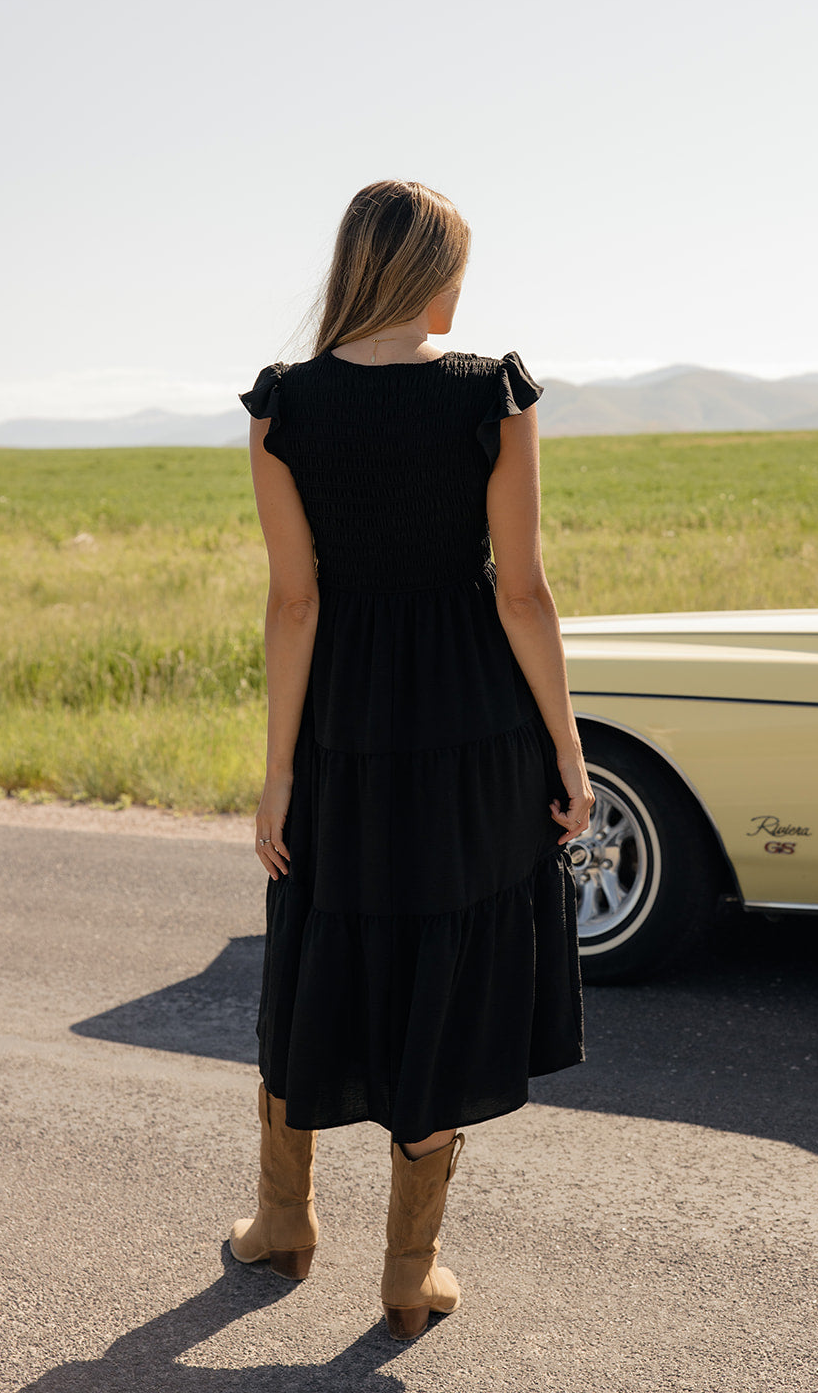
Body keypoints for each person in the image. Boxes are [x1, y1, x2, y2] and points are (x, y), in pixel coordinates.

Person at [229, 179, 591, 1340]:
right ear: (433, 271)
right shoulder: (491, 393)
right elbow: (523, 592)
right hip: (475, 725)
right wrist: (569, 753)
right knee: (447, 957)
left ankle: (282, 1225)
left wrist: (278, 772)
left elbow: (295, 603)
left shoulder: (284, 406)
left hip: (344, 727)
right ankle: (407, 1271)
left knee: (319, 941)